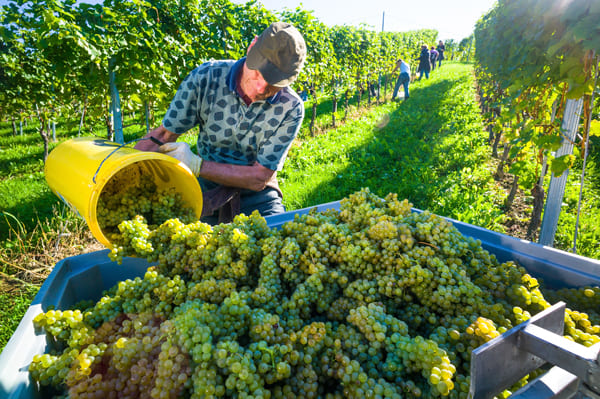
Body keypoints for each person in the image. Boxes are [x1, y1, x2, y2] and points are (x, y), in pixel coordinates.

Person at [134, 22, 307, 224]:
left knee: (276, 239)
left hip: (257, 196)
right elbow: (163, 136)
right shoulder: (206, 78)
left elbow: (260, 177)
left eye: (274, 83)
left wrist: (197, 165)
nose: (261, 88)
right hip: (204, 188)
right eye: (258, 73)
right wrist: (121, 171)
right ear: (252, 47)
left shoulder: (290, 107)